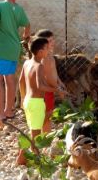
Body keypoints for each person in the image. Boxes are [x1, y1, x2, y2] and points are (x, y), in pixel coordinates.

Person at [16, 37, 65, 165]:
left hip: (28, 100)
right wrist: (57, 90)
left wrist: (22, 98)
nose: (48, 51)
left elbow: (21, 81)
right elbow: (40, 86)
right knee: (36, 135)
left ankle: (22, 157)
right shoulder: (39, 66)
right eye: (47, 48)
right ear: (40, 51)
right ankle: (38, 162)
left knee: (36, 127)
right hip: (36, 102)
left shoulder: (27, 63)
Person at [35, 29, 66, 133]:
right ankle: (40, 138)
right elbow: (48, 77)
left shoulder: (50, 55)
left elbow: (54, 71)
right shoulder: (45, 58)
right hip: (46, 91)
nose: (53, 42)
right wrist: (58, 89)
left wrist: (60, 81)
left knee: (48, 115)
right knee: (46, 117)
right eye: (50, 40)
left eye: (53, 40)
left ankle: (43, 138)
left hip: (50, 90)